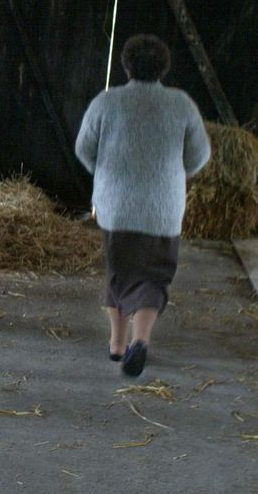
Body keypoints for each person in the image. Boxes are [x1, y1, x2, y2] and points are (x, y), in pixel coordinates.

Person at [75, 34, 210, 377]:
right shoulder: (181, 104)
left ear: (126, 65)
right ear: (164, 67)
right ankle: (141, 342)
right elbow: (199, 156)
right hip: (163, 209)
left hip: (116, 207)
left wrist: (105, 173)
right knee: (154, 275)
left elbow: (83, 148)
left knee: (119, 271)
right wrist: (174, 175)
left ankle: (117, 345)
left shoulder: (107, 102)